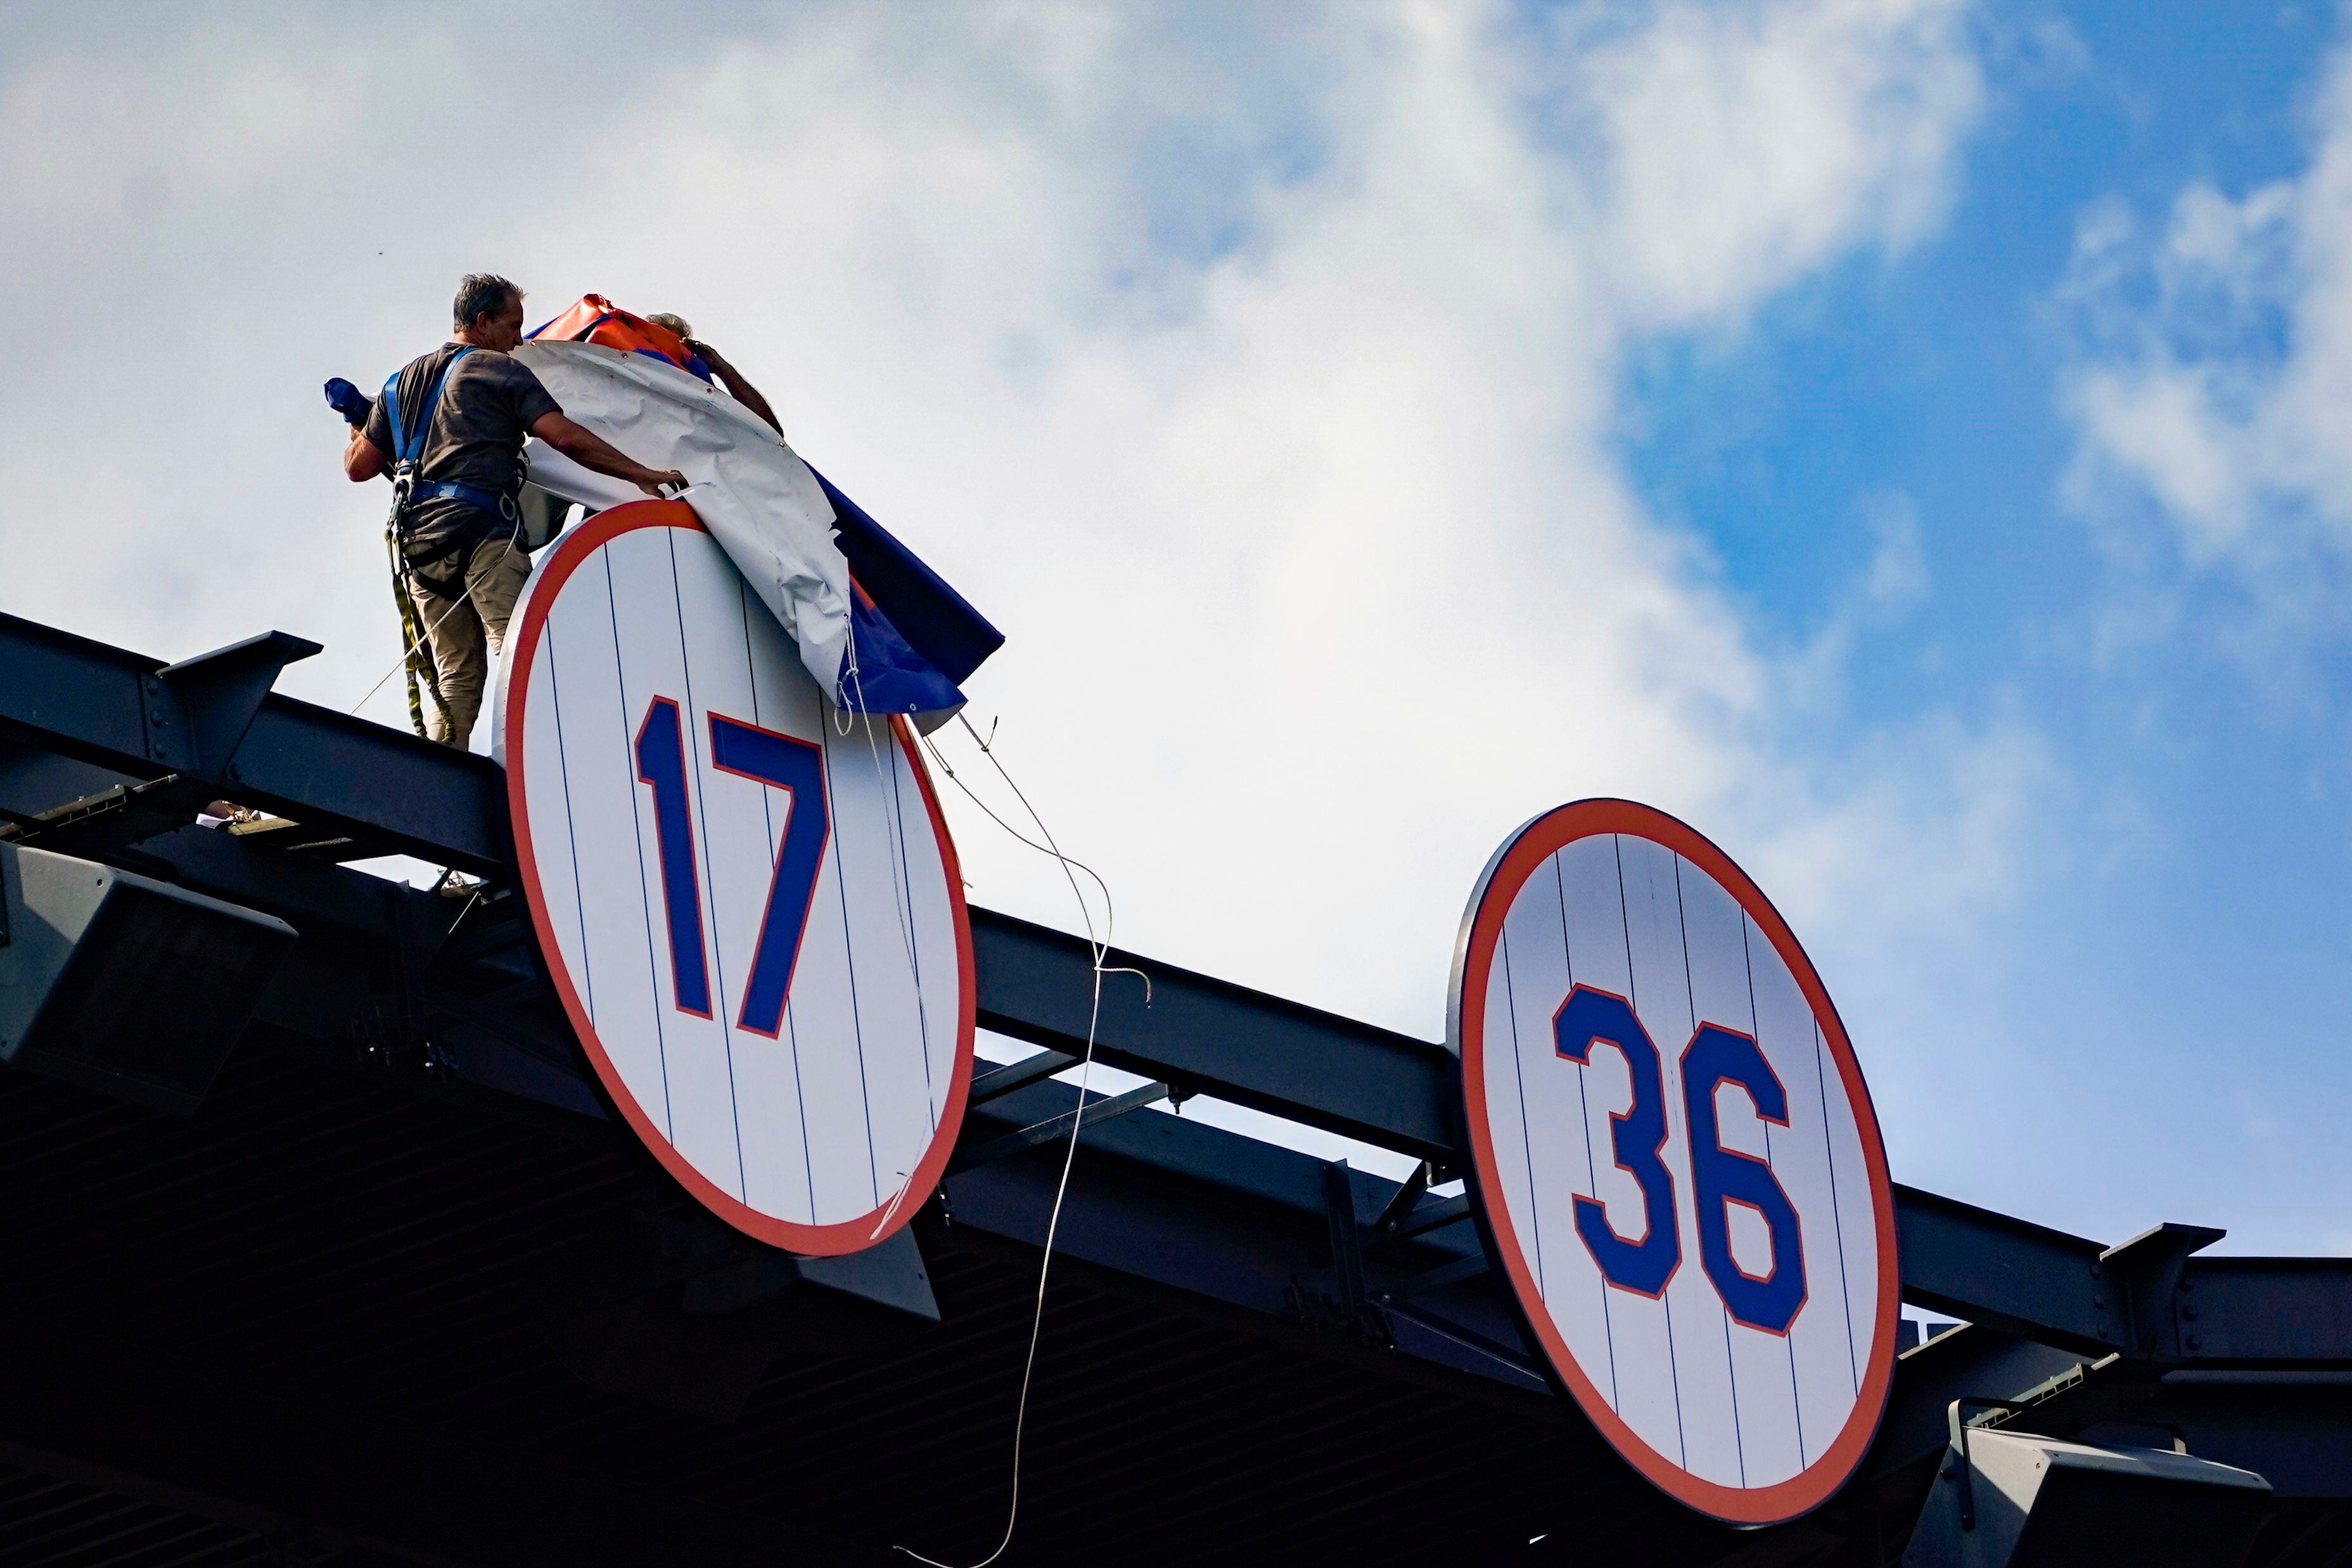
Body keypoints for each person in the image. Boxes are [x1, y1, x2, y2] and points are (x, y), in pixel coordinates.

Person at [342, 274, 687, 749]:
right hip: (482, 534)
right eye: (513, 326)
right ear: (483, 323)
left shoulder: (398, 385)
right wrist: (638, 472)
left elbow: (360, 466)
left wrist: (357, 422)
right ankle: (538, 771)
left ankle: (441, 783)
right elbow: (562, 436)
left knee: (456, 680)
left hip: (419, 550)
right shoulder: (498, 371)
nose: (519, 340)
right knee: (521, 655)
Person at [646, 311, 784, 438]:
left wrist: (723, 368)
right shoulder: (630, 382)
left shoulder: (703, 397)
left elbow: (771, 434)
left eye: (676, 346)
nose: (667, 352)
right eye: (658, 341)